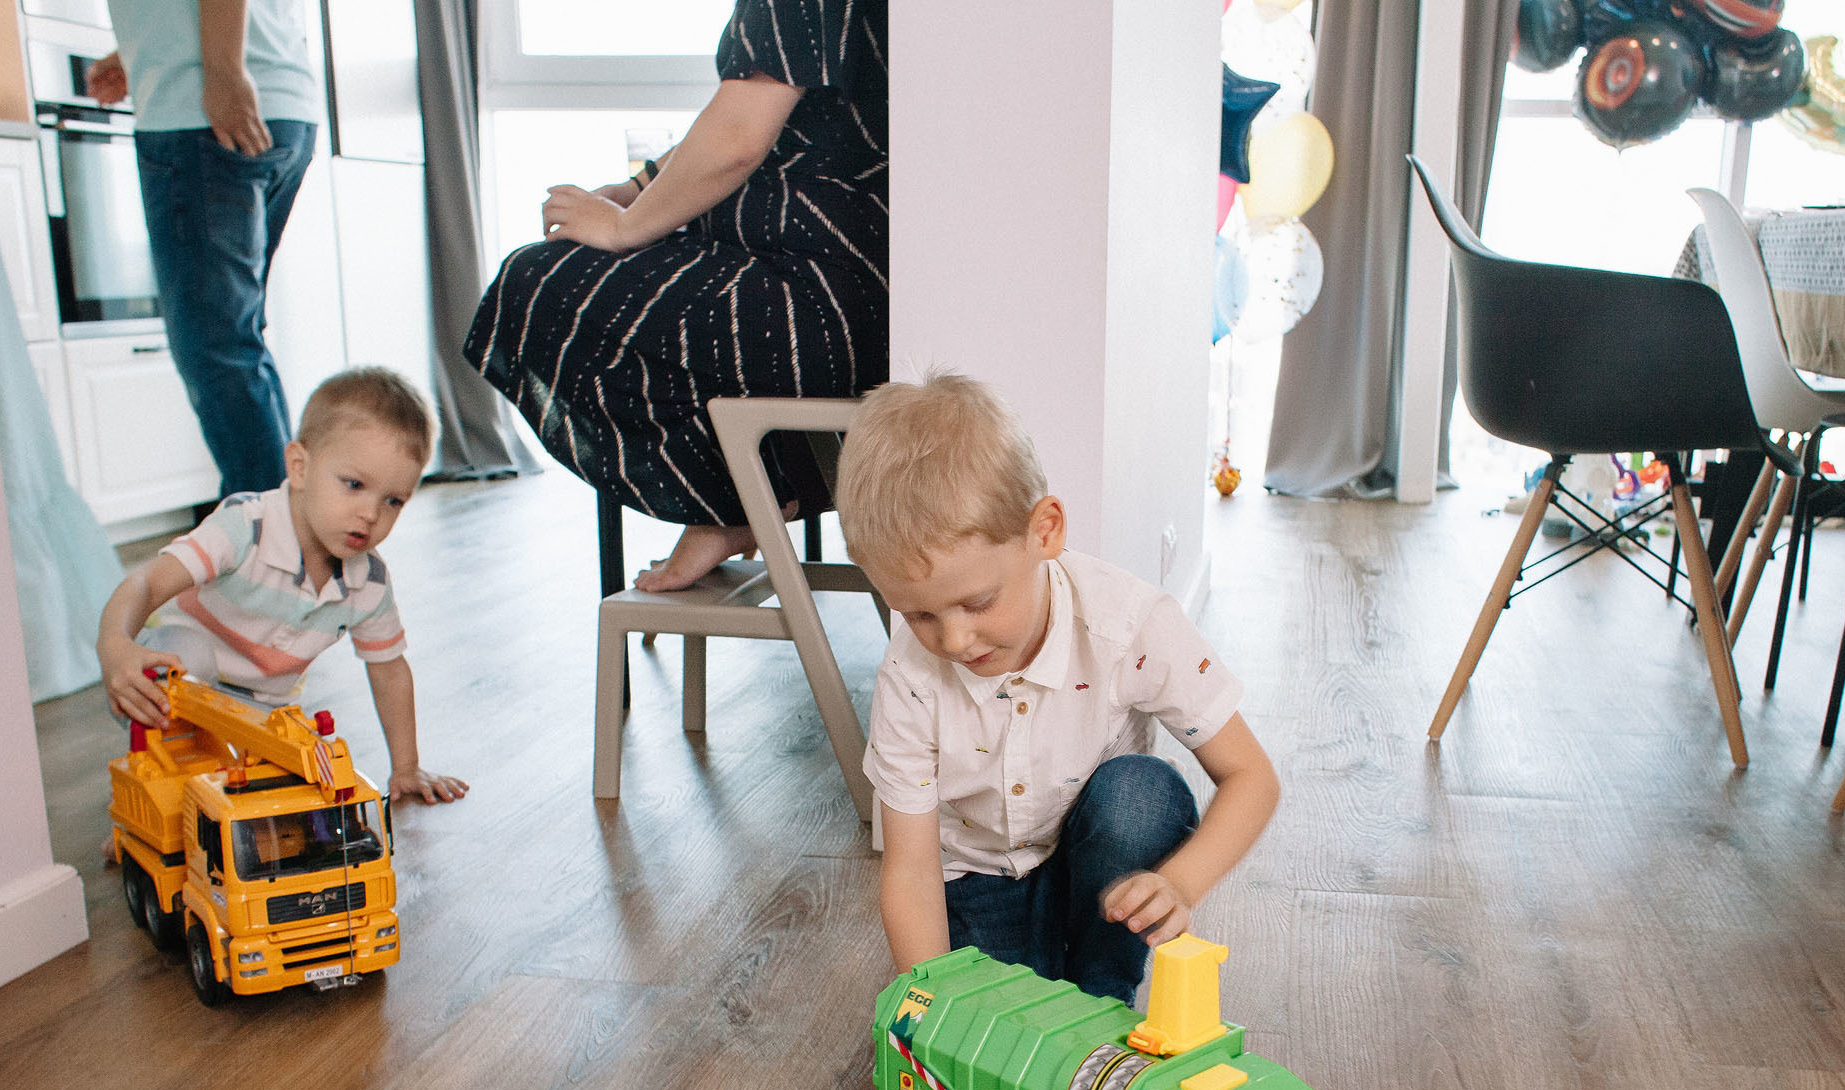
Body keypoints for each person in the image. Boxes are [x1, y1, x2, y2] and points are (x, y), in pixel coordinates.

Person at [841, 376, 1282, 1005]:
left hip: (1095, 871)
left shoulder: (1129, 623)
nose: (956, 639)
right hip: (977, 877)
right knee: (1000, 1030)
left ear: (1044, 530)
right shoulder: (910, 673)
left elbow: (1252, 777)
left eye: (978, 601)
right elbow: (910, 869)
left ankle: (1104, 999)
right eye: (919, 615)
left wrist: (1180, 884)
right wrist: (928, 1010)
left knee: (1142, 796)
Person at [466, 0, 887, 593]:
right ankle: (750, 496)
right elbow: (754, 112)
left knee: (537, 282)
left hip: (819, 299)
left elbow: (738, 137)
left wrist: (623, 226)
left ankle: (742, 502)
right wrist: (639, 188)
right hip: (860, 294)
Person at [98, 368, 469, 805]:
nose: (371, 513)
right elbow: (146, 580)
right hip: (167, 683)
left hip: (258, 710)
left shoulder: (368, 582)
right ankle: (146, 803)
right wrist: (115, 645)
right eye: (354, 485)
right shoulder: (245, 528)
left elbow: (389, 671)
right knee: (184, 669)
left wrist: (405, 767)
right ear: (300, 467)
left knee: (290, 787)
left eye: (393, 501)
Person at [86, 0, 318, 498]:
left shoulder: (214, 86)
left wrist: (224, 71)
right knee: (237, 339)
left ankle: (274, 554)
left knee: (218, 348)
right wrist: (139, 50)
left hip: (203, 113)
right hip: (279, 100)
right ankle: (287, 531)